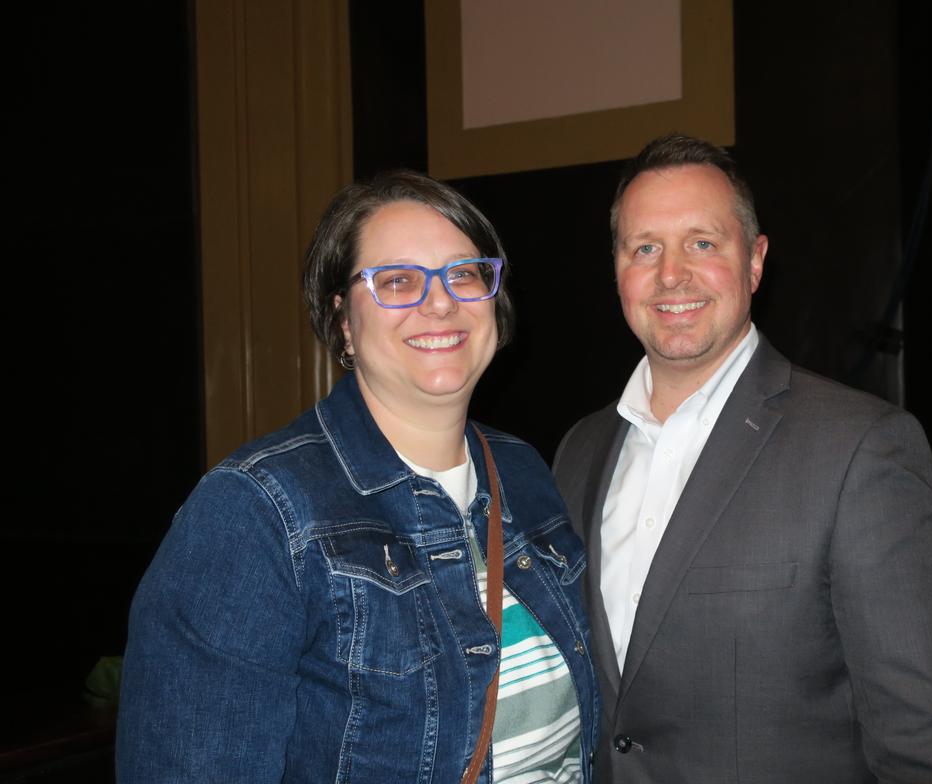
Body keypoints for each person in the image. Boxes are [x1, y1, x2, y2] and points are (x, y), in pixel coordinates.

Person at [118, 170, 599, 782]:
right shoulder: (254, 512)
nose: (440, 301)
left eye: (463, 273)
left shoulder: (524, 471)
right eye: (397, 280)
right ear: (343, 321)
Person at [553, 135, 932, 783]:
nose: (671, 273)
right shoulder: (578, 451)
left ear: (755, 262)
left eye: (702, 243)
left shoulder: (860, 450)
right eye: (644, 247)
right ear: (617, 269)